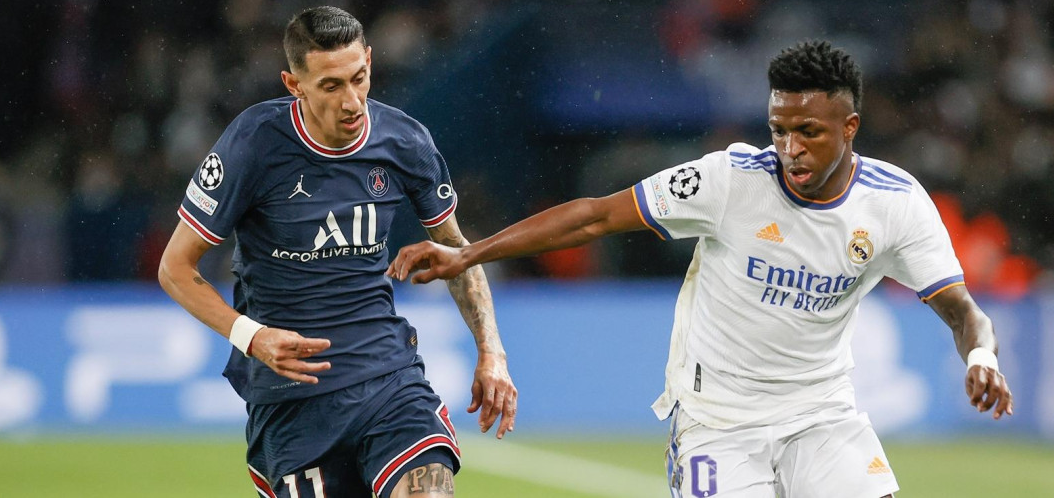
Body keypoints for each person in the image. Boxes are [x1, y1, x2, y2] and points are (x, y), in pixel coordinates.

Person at [388, 40, 1013, 498]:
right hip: (719, 422)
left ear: (850, 128)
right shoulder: (729, 179)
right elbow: (596, 218)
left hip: (821, 414)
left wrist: (981, 358)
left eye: (809, 133)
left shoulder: (894, 202)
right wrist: (469, 253)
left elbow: (962, 310)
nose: (789, 149)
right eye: (779, 130)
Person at [158, 6, 516, 498]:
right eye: (331, 86)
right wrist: (253, 337)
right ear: (293, 84)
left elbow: (459, 253)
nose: (352, 102)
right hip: (291, 401)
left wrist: (491, 351)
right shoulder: (254, 143)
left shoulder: (404, 141)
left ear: (369, 60)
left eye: (359, 78)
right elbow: (175, 268)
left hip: (388, 380)